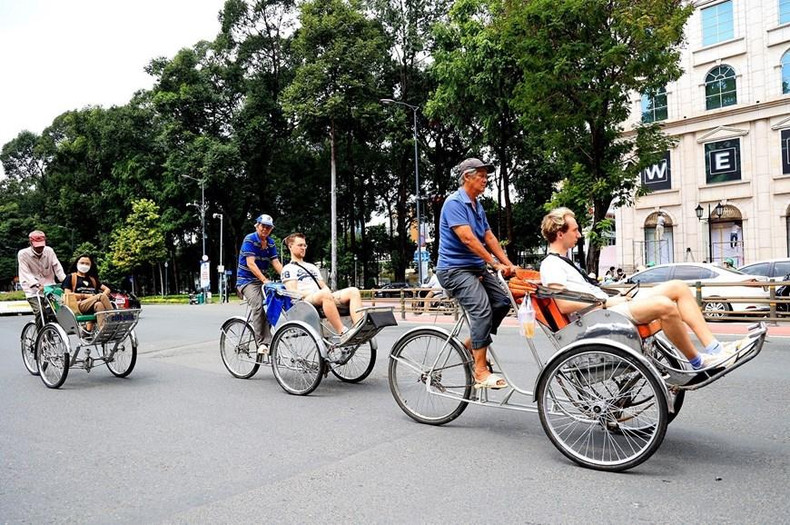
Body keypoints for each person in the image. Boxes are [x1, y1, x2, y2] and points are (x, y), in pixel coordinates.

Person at [539, 207, 742, 370]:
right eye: (574, 230)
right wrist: (605, 301)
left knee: (678, 287)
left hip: (608, 307)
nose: (579, 235)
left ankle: (714, 349)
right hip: (600, 315)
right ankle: (698, 362)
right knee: (664, 305)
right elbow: (564, 304)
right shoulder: (551, 265)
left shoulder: (563, 261)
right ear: (559, 234)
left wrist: (613, 296)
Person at [436, 157, 517, 389]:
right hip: (454, 270)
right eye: (480, 175)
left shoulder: (476, 205)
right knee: (481, 310)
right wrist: (494, 264)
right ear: (466, 177)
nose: (485, 179)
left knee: (501, 303)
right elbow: (468, 239)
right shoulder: (454, 203)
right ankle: (479, 371)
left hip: (475, 268)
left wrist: (509, 264)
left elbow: (488, 237)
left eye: (486, 175)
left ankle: (472, 343)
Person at [281, 233, 363, 341]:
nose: (303, 248)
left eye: (304, 245)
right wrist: (318, 294)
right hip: (304, 301)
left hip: (320, 296)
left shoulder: (312, 267)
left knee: (353, 291)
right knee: (323, 294)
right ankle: (342, 332)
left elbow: (324, 286)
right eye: (300, 245)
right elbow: (293, 292)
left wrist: (327, 293)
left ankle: (358, 329)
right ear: (290, 246)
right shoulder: (288, 268)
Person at [236, 214, 283, 355]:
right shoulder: (250, 239)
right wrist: (264, 280)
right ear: (257, 225)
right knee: (258, 306)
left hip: (261, 280)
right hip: (246, 281)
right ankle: (262, 343)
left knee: (275, 303)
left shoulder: (271, 243)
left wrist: (287, 277)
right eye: (263, 226)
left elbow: (276, 263)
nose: (265, 229)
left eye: (268, 227)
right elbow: (251, 263)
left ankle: (266, 336)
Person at [17, 230, 66, 329]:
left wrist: (65, 281)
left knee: (59, 310)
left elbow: (57, 267)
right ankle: (42, 339)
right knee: (40, 312)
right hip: (33, 290)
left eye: (42, 245)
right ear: (30, 243)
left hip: (49, 287)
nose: (40, 248)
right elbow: (26, 273)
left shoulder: (49, 251)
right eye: (37, 245)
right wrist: (37, 285)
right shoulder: (23, 254)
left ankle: (51, 331)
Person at [61, 254, 115, 331]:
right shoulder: (71, 277)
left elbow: (107, 289)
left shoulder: (92, 279)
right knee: (100, 296)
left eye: (87, 264)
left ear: (90, 266)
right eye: (82, 263)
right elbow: (68, 295)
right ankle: (113, 316)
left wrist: (100, 297)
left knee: (99, 304)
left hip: (92, 305)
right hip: (78, 305)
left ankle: (101, 330)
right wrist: (86, 296)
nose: (84, 265)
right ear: (77, 264)